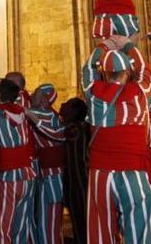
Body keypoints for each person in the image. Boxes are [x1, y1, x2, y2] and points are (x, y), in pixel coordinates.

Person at [82, 40, 151, 244]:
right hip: (132, 170)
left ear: (105, 74)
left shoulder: (93, 92)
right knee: (141, 228)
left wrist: (104, 45)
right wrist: (127, 44)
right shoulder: (139, 93)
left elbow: (87, 67)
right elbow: (145, 69)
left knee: (101, 228)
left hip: (100, 173)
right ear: (127, 72)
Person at [0, 79, 36, 244]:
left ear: (0, 94)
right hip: (27, 174)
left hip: (8, 175)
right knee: (21, 224)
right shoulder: (23, 112)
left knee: (3, 225)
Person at [26, 84, 65, 244]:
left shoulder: (43, 114)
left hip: (52, 175)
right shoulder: (52, 115)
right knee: (51, 220)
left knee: (48, 221)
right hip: (49, 174)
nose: (31, 95)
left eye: (35, 93)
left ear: (43, 98)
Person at [59, 97, 90, 244]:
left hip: (79, 184)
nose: (62, 105)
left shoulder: (74, 129)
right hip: (78, 182)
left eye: (67, 104)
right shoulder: (82, 127)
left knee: (82, 221)